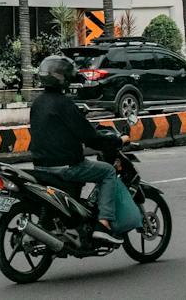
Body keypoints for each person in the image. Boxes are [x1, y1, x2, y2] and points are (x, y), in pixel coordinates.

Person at [29, 54, 141, 246]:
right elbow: (89, 137)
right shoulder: (64, 104)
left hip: (41, 166)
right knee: (107, 171)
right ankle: (103, 224)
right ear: (63, 78)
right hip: (66, 166)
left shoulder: (38, 103)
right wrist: (116, 141)